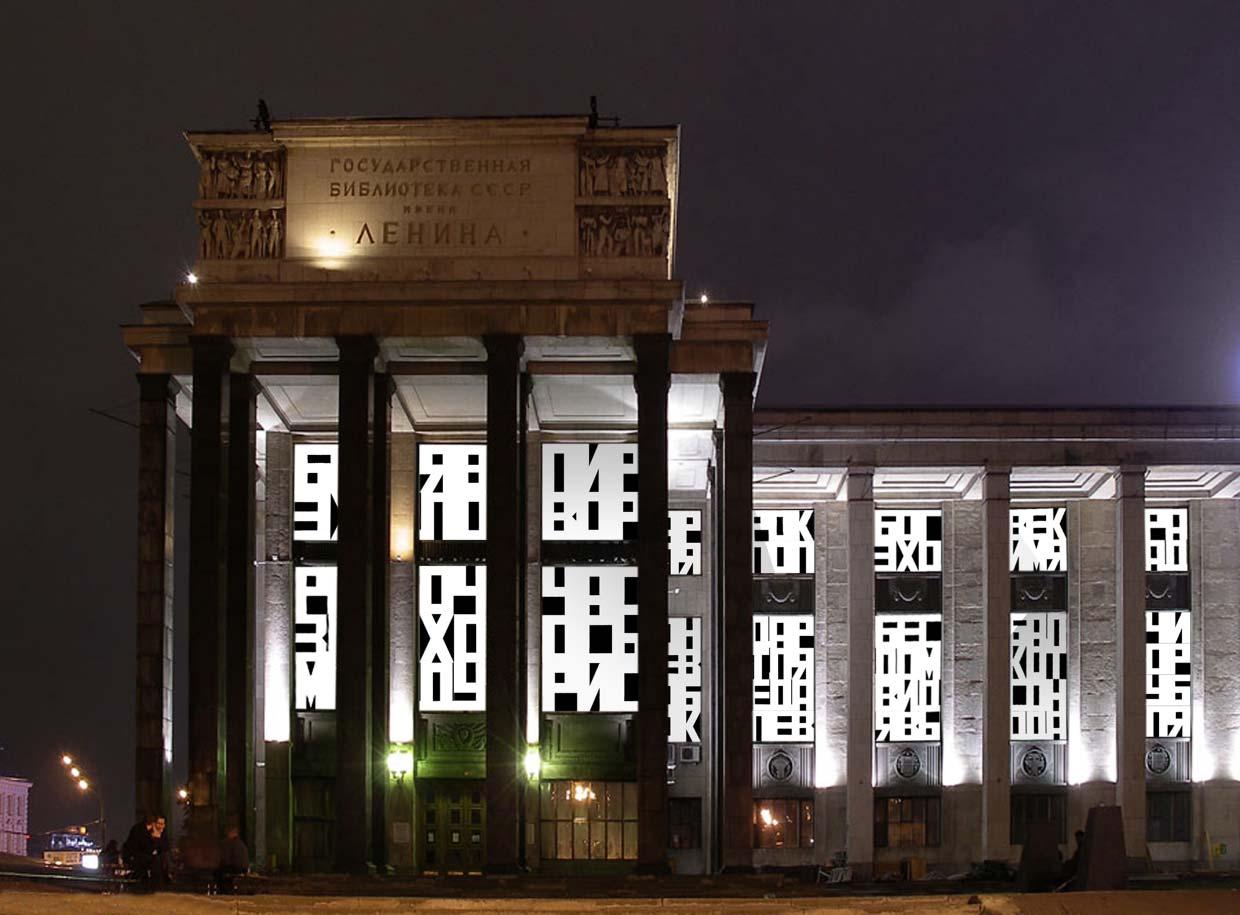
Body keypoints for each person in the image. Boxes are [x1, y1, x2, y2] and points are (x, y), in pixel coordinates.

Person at [121, 815, 156, 886]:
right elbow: (144, 846)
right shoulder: (142, 831)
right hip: (135, 857)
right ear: (152, 824)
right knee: (153, 862)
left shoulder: (138, 828)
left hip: (132, 855)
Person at [214, 826, 249, 894]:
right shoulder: (240, 843)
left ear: (233, 833)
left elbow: (227, 859)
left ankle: (224, 890)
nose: (228, 835)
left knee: (217, 872)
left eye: (229, 833)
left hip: (236, 867)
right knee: (224, 872)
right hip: (243, 868)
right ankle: (228, 888)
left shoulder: (231, 843)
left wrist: (221, 864)